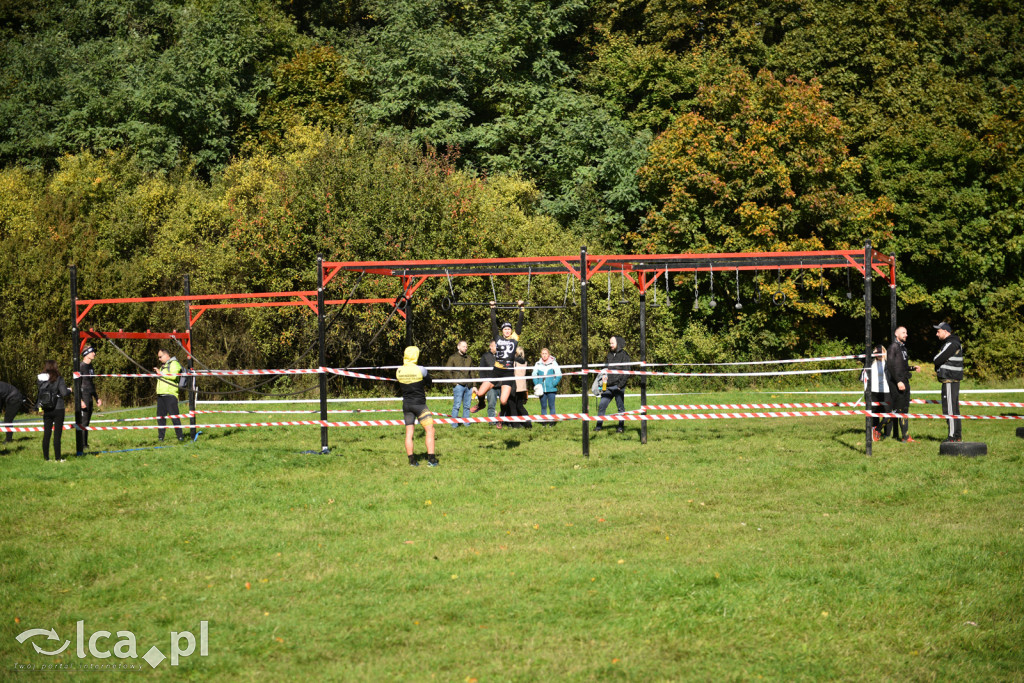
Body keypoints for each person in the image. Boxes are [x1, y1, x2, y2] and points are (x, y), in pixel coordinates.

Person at [469, 301, 525, 428]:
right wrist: (492, 309)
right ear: (502, 331)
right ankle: (481, 404)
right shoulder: (498, 339)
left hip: (508, 373)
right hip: (497, 371)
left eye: (509, 329)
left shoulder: (515, 338)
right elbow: (493, 323)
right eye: (505, 329)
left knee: (504, 400)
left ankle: (501, 417)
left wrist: (521, 308)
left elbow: (520, 324)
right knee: (480, 393)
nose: (507, 331)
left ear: (511, 331)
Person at [396, 346, 438, 466]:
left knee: (409, 433)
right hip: (420, 405)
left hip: (407, 405)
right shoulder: (421, 369)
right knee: (430, 430)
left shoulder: (399, 370)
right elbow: (429, 383)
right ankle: (431, 459)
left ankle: (412, 460)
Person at [886, 326, 919, 443]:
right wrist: (898, 381)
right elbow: (889, 366)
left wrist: (912, 368)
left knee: (904, 409)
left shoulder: (903, 348)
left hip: (905, 381)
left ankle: (905, 436)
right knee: (897, 410)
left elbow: (903, 366)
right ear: (896, 334)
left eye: (906, 332)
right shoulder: (893, 347)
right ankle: (879, 430)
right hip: (897, 383)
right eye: (903, 332)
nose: (906, 335)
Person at [933, 322, 964, 443]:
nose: (936, 334)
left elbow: (937, 359)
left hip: (949, 379)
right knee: (954, 409)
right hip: (951, 379)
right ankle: (957, 435)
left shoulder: (951, 343)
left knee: (949, 409)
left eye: (938, 331)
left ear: (945, 331)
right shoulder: (953, 342)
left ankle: (952, 436)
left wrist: (937, 365)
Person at [36, 360, 71, 462]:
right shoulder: (59, 378)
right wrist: (70, 390)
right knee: (57, 434)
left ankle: (46, 458)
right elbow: (64, 393)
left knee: (46, 433)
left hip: (47, 408)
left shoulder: (41, 379)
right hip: (58, 408)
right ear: (55, 367)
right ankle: (58, 458)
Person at [597, 335, 631, 433]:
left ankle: (620, 427)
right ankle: (599, 426)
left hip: (618, 386)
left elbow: (627, 371)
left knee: (620, 408)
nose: (610, 345)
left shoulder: (625, 355)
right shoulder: (609, 355)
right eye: (610, 343)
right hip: (607, 386)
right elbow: (605, 368)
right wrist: (603, 377)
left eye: (612, 343)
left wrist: (620, 385)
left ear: (618, 343)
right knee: (602, 405)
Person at [861, 344, 892, 441]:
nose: (879, 353)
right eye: (876, 351)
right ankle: (874, 432)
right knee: (874, 413)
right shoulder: (870, 362)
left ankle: (882, 431)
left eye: (880, 351)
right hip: (872, 391)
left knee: (888, 413)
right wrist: (872, 353)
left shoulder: (888, 362)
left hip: (886, 391)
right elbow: (861, 357)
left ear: (884, 352)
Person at [154, 348, 184, 442]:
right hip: (161, 395)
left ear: (167, 355)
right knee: (160, 418)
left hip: (170, 395)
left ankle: (180, 437)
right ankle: (161, 438)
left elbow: (174, 376)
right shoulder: (164, 366)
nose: (159, 359)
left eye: (160, 357)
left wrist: (161, 373)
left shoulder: (174, 364)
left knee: (174, 417)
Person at [78, 345, 102, 453]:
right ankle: (81, 445)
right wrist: (80, 400)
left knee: (87, 422)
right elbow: (77, 385)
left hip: (90, 395)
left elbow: (91, 383)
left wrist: (97, 398)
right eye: (92, 352)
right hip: (83, 396)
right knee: (83, 422)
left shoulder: (91, 367)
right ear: (86, 353)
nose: (94, 354)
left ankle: (85, 444)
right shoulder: (80, 366)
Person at [445, 340, 474, 428]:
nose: (465, 348)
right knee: (456, 405)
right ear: (458, 347)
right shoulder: (452, 357)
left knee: (467, 406)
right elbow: (447, 371)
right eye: (463, 346)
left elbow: (472, 372)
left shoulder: (469, 358)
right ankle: (454, 424)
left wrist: (474, 385)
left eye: (466, 346)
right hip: (458, 385)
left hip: (468, 385)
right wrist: (454, 382)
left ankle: (466, 424)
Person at [532, 348, 561, 425]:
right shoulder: (537, 364)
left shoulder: (553, 363)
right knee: (543, 406)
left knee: (552, 406)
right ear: (541, 354)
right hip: (541, 390)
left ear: (548, 354)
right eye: (543, 353)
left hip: (551, 389)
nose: (544, 355)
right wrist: (537, 384)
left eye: (546, 353)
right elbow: (534, 375)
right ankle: (544, 423)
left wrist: (553, 383)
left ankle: (552, 423)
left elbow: (559, 375)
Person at [476, 341, 499, 422]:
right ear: (490, 346)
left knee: (505, 404)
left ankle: (504, 421)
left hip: (501, 384)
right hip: (490, 385)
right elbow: (482, 371)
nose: (497, 348)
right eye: (496, 346)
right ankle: (492, 422)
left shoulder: (502, 355)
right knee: (491, 405)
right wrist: (484, 383)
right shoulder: (485, 356)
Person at [1, 381, 26, 446]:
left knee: (8, 419)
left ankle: (8, 440)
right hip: (11, 397)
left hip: (15, 398)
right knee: (7, 419)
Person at [513, 347, 531, 429]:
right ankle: (525, 422)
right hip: (523, 386)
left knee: (517, 405)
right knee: (520, 405)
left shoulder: (515, 362)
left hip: (516, 385)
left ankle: (526, 422)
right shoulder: (525, 361)